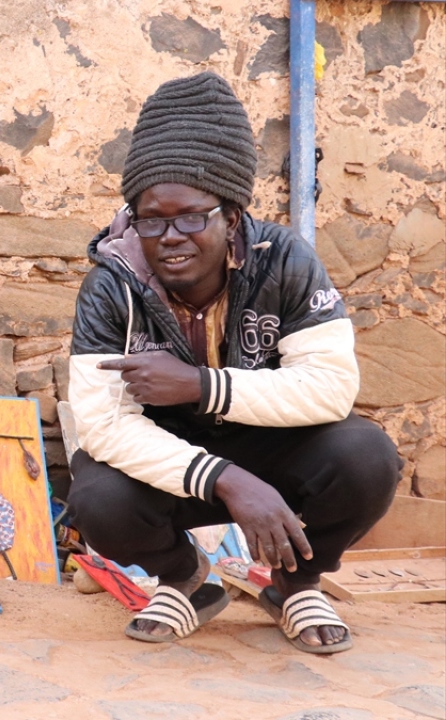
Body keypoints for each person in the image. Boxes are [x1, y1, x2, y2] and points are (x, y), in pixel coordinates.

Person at [66, 72, 399, 654]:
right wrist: (226, 479)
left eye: (191, 216)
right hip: (167, 460)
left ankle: (295, 586)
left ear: (233, 217)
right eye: (151, 219)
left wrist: (201, 386)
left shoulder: (286, 261)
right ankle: (185, 578)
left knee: (367, 456)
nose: (170, 236)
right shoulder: (110, 284)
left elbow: (331, 389)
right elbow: (103, 423)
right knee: (97, 499)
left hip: (268, 442)